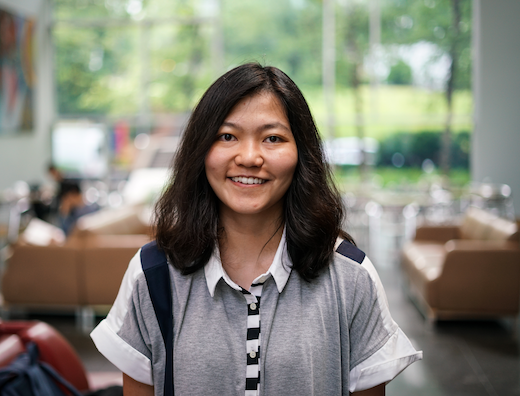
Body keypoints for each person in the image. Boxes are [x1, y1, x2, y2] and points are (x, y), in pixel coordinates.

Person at [90, 63, 422, 395]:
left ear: (301, 154)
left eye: (273, 138)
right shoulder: (152, 274)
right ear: (201, 150)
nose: (249, 157)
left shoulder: (351, 276)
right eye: (227, 136)